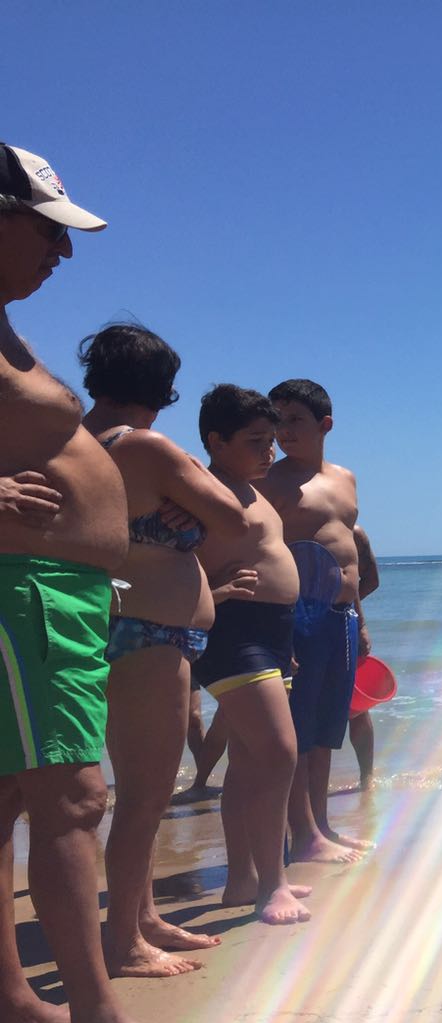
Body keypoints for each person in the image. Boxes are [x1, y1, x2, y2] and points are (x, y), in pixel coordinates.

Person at [0, 142, 212, 1023]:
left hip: (59, 593)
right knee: (76, 799)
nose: (64, 253)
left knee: (12, 799)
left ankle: (14, 1004)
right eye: (49, 230)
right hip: (26, 593)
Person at [79, 324, 250, 976]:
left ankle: (142, 915)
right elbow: (235, 519)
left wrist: (188, 509)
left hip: (108, 620)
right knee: (146, 792)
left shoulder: (74, 442)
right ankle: (124, 941)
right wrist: (197, 510)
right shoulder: (144, 446)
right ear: (161, 388)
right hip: (150, 630)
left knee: (129, 789)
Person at [193, 385, 310, 925]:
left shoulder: (249, 487)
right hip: (234, 633)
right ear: (216, 441)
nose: (270, 452)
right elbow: (157, 558)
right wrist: (211, 597)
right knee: (279, 753)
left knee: (246, 762)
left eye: (271, 441)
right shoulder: (199, 488)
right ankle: (273, 885)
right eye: (256, 441)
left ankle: (241, 879)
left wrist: (284, 646)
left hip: (270, 633)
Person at [263, 379, 370, 862]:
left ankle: (320, 826)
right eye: (277, 420)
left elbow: (350, 554)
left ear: (324, 424)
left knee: (328, 728)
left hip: (342, 615)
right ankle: (301, 834)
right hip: (298, 614)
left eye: (295, 420)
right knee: (299, 731)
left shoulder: (345, 477)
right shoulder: (271, 481)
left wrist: (362, 621)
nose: (283, 431)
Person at [347, 523, 380, 790]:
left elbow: (371, 580)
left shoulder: (353, 532)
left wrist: (347, 606)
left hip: (343, 622)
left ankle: (366, 778)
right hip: (298, 621)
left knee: (356, 707)